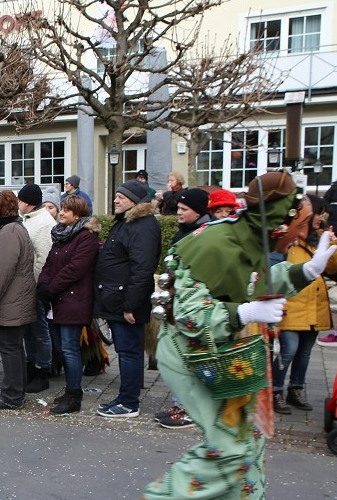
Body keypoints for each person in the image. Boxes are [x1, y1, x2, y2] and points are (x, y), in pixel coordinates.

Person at [138, 171, 336, 500]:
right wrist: (243, 311)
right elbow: (188, 312)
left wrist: (308, 270)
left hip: (226, 355)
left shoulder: (249, 240)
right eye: (300, 226)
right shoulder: (216, 243)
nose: (301, 234)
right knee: (231, 443)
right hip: (189, 355)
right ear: (277, 219)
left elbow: (260, 280)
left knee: (251, 441)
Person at [93, 179, 161, 418]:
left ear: (135, 201)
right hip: (116, 298)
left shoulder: (143, 225)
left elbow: (142, 269)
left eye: (121, 197)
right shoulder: (127, 222)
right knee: (125, 351)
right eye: (116, 196)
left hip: (126, 302)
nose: (115, 199)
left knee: (130, 352)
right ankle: (125, 397)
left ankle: (129, 403)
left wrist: (130, 305)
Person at [272, 200, 337, 414]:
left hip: (315, 305)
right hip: (293, 304)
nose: (321, 218)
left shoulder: (320, 238)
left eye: (323, 214)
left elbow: (334, 268)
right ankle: (275, 391)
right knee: (288, 351)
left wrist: (333, 247)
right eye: (318, 213)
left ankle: (296, 389)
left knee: (304, 353)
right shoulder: (288, 238)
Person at [152, 189, 211, 429]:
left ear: (198, 211)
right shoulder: (184, 233)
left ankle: (192, 408)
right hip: (178, 301)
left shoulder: (204, 235)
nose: (178, 213)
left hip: (195, 305)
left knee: (194, 358)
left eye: (184, 210)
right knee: (180, 356)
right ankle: (181, 402)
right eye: (178, 208)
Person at [38, 195, 100, 415]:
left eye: (66, 210)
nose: (61, 213)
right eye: (61, 209)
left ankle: (74, 394)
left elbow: (75, 269)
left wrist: (51, 288)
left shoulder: (86, 237)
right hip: (56, 301)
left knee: (70, 349)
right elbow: (49, 263)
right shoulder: (61, 235)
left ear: (78, 214)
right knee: (61, 348)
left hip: (73, 300)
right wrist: (43, 284)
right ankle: (70, 390)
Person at [0, 189, 38, 409]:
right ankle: (15, 393)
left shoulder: (8, 231)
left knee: (10, 348)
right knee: (14, 348)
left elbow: (2, 272)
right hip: (14, 300)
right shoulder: (12, 228)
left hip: (8, 302)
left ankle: (11, 397)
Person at [18, 183, 55, 394]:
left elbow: (43, 258)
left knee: (40, 331)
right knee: (28, 331)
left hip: (35, 286)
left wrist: (36, 285)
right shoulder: (28, 219)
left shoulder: (43, 223)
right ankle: (30, 366)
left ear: (28, 203)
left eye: (20, 200)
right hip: (25, 287)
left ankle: (43, 370)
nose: (18, 204)